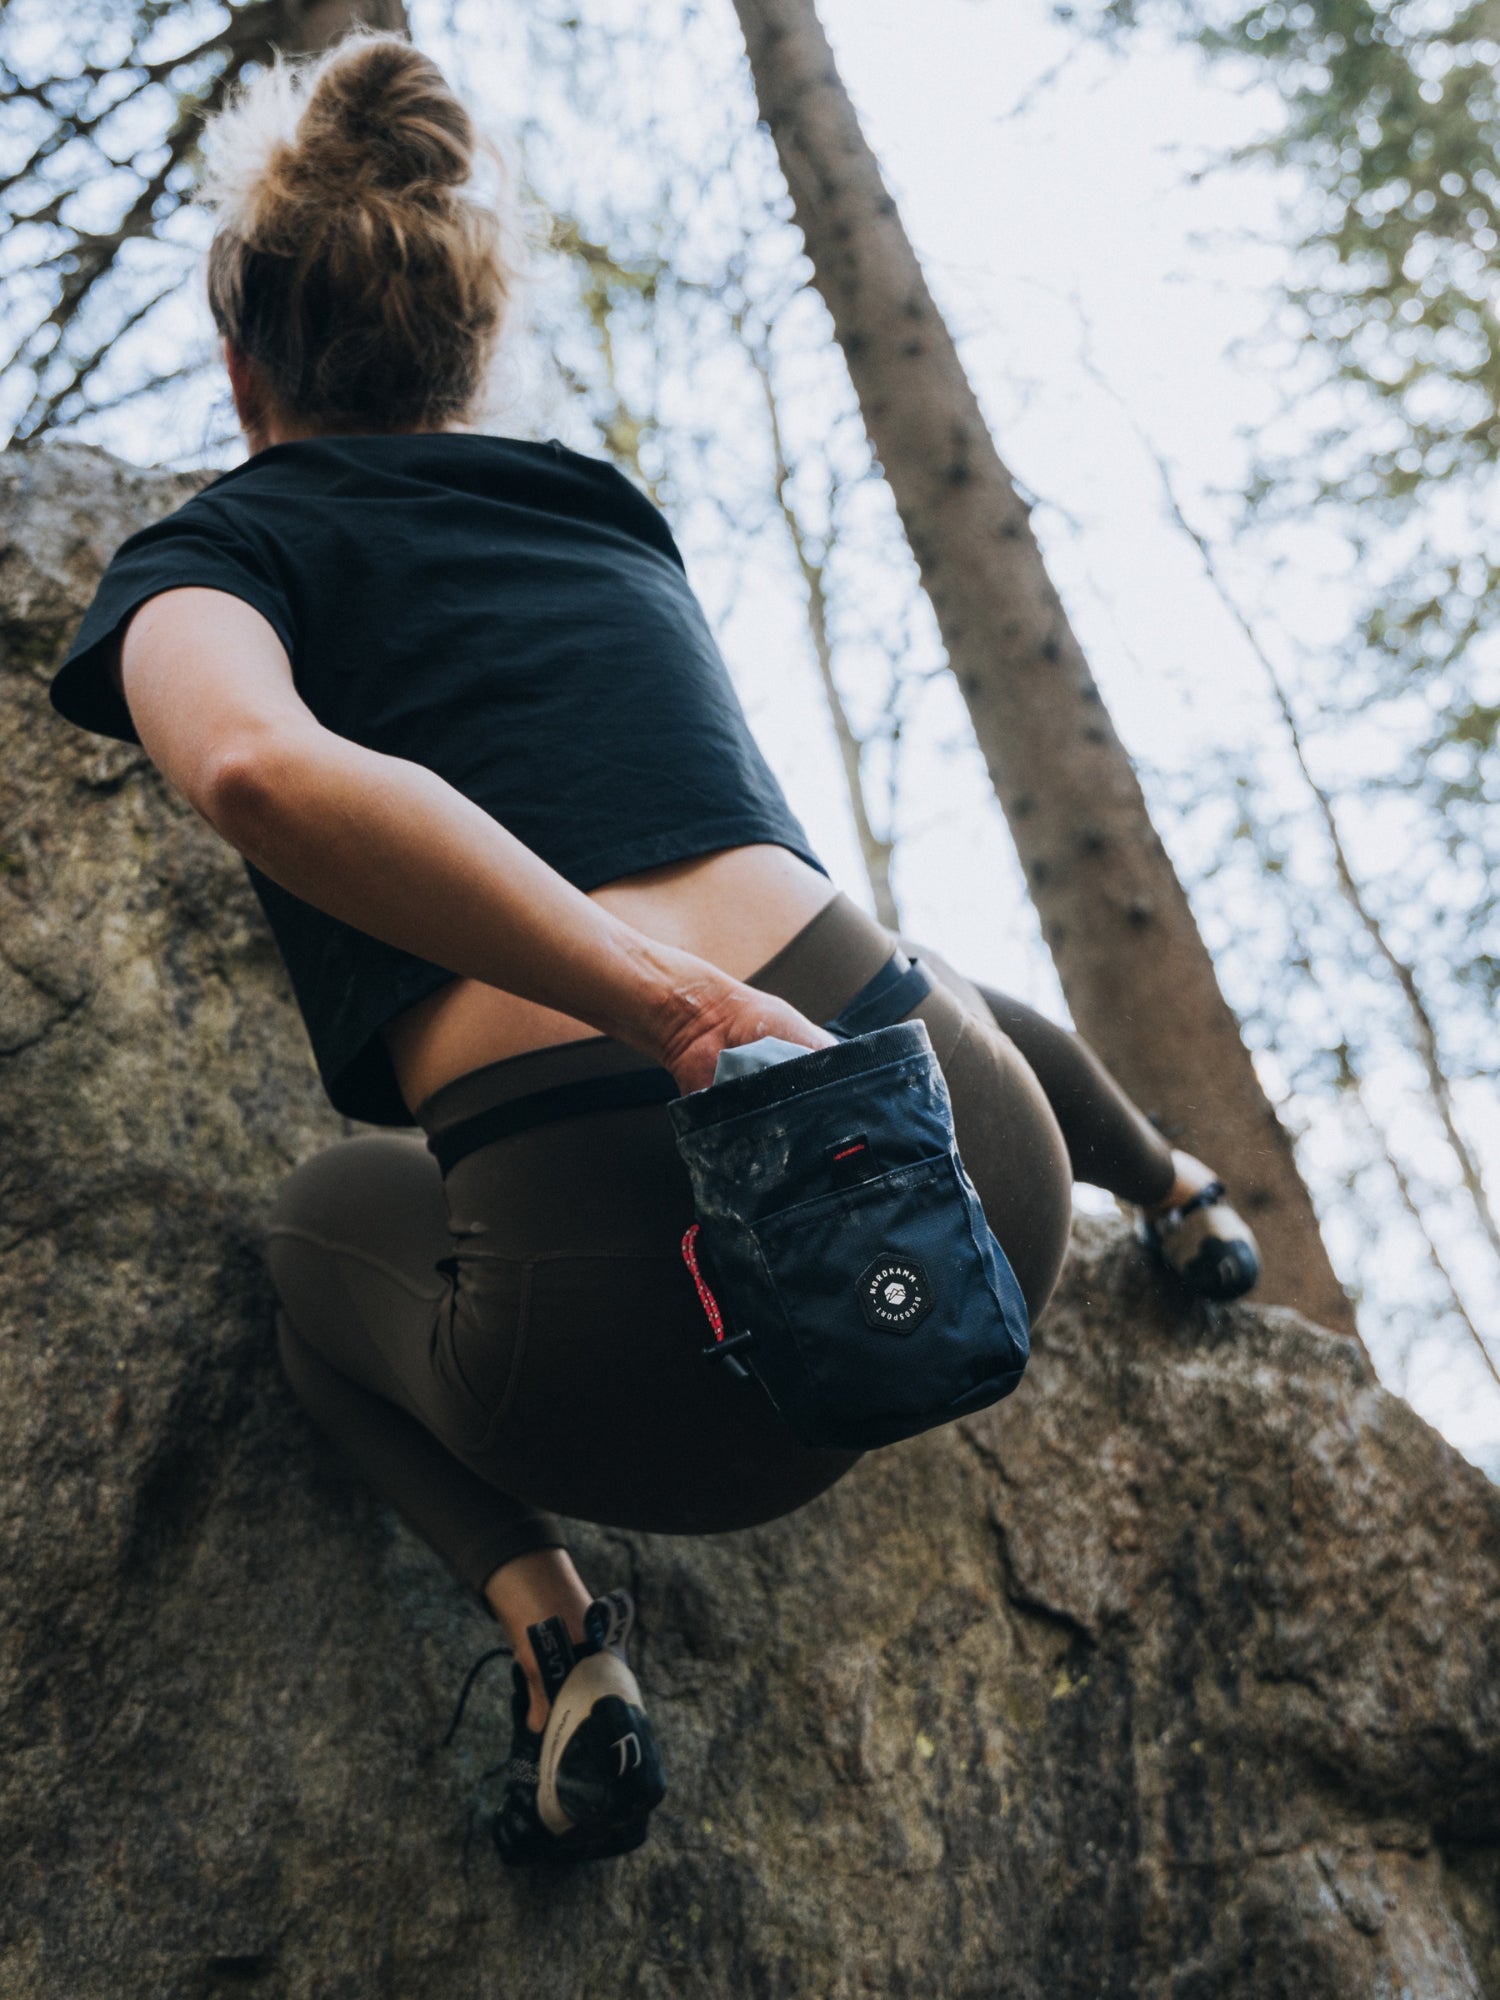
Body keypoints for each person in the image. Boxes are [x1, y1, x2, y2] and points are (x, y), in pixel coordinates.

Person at [47, 29, 1261, 1866]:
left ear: (241, 373)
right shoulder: (602, 508)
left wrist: (645, 997)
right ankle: (1173, 1189)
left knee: (306, 1246)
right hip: (969, 1175)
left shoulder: (214, 550)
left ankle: (560, 1652)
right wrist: (715, 982)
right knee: (907, 980)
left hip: (639, 1317)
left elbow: (247, 758)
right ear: (465, 351)